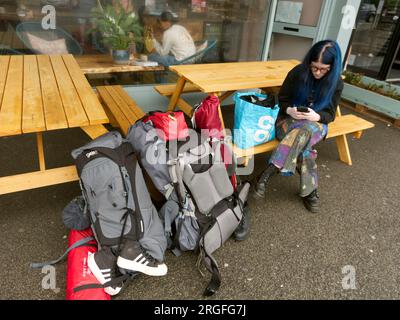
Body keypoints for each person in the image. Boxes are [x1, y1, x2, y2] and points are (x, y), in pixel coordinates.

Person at [254, 40, 344, 213]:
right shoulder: (298, 72)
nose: (317, 72)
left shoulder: (336, 83)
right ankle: (310, 190)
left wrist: (316, 116)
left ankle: (268, 172)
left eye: (323, 69)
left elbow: (330, 115)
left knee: (306, 130)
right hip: (287, 121)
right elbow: (281, 99)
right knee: (306, 148)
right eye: (314, 67)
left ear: (332, 67)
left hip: (316, 124)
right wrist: (289, 110)